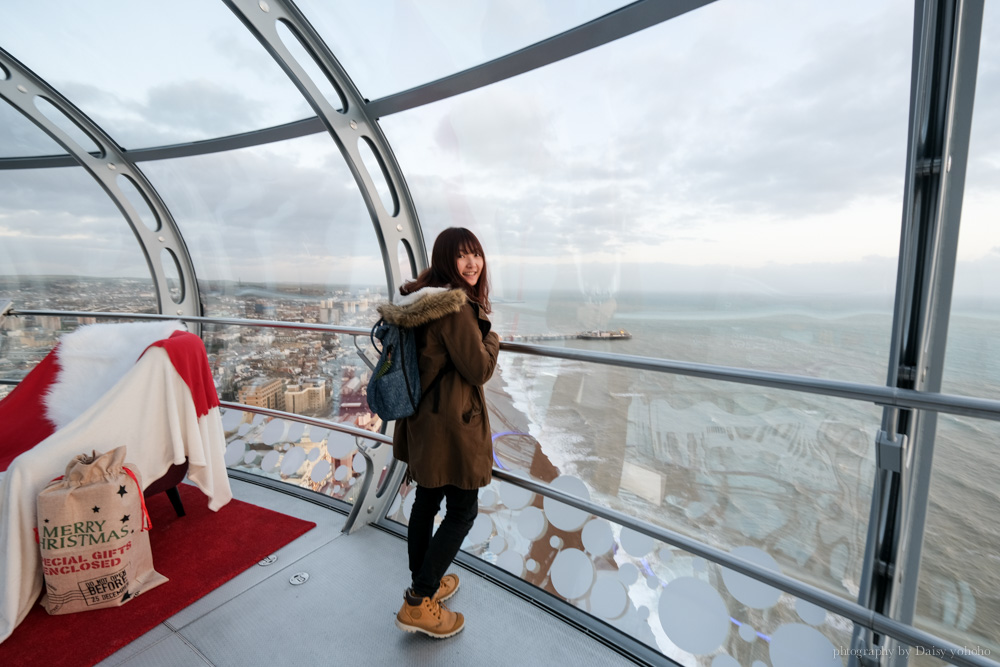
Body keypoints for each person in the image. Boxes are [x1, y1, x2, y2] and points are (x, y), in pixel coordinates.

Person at [378, 227, 500, 639]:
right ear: (447, 260)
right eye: (462, 256)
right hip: (451, 424)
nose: (472, 263)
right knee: (463, 511)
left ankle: (422, 584)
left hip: (423, 421)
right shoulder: (454, 307)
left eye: (476, 255)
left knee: (428, 500)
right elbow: (479, 368)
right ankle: (419, 600)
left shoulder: (421, 299)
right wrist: (494, 338)